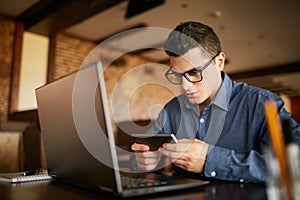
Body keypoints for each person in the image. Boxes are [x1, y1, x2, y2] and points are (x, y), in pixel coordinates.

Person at [130, 21, 300, 183]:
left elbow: (295, 163)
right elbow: (145, 154)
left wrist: (211, 161)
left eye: (194, 73)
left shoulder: (261, 104)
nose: (185, 86)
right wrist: (143, 161)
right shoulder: (171, 109)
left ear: (219, 62)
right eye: (177, 75)